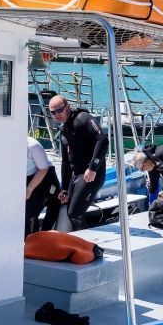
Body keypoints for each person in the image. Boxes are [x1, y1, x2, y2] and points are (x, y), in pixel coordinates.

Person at [49, 96, 107, 231]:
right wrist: (64, 188)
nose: (57, 114)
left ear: (68, 107)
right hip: (77, 176)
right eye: (53, 112)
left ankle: (89, 244)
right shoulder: (64, 129)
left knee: (74, 214)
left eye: (60, 110)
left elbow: (103, 140)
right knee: (68, 209)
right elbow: (65, 162)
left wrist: (93, 168)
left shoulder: (83, 118)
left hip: (92, 174)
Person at [25, 135, 61, 235]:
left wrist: (29, 188)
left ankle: (44, 235)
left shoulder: (32, 145)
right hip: (26, 176)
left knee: (53, 204)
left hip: (45, 174)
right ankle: (30, 237)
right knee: (28, 212)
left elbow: (43, 169)